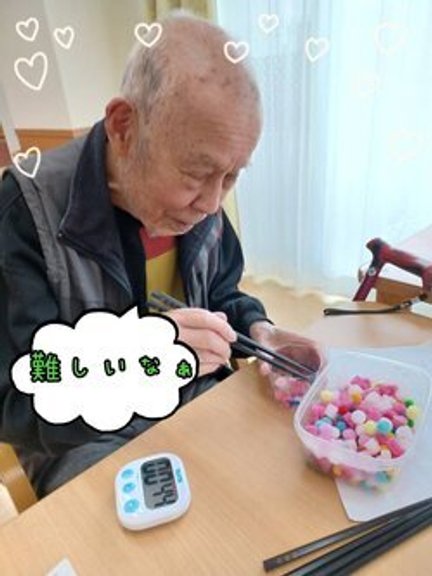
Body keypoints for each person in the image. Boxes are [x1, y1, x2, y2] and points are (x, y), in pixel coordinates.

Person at [0, 13, 322, 497]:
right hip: (83, 440)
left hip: (191, 399)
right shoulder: (27, 210)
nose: (212, 202)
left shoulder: (201, 201)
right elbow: (15, 402)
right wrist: (134, 364)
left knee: (280, 482)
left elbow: (219, 295)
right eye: (196, 173)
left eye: (232, 175)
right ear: (124, 126)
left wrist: (260, 330)